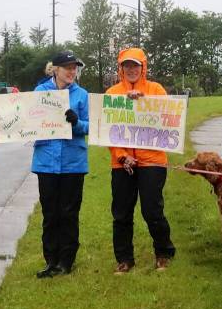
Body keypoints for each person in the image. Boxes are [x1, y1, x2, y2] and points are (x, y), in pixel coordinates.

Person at [105, 48, 176, 273]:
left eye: (136, 65)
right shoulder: (113, 93)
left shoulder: (156, 90)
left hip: (152, 161)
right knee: (121, 213)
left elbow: (166, 120)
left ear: (143, 67)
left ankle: (164, 252)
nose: (131, 70)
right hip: (122, 162)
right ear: (121, 68)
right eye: (127, 65)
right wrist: (122, 155)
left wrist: (145, 104)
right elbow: (109, 130)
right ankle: (124, 259)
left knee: (152, 210)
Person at [32, 51, 89, 278]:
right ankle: (50, 261)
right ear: (54, 69)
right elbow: (26, 119)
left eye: (75, 67)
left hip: (73, 163)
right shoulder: (40, 92)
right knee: (50, 214)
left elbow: (90, 126)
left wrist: (76, 122)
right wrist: (2, 121)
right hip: (46, 162)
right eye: (67, 67)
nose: (72, 71)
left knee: (68, 213)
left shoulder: (82, 95)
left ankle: (66, 261)